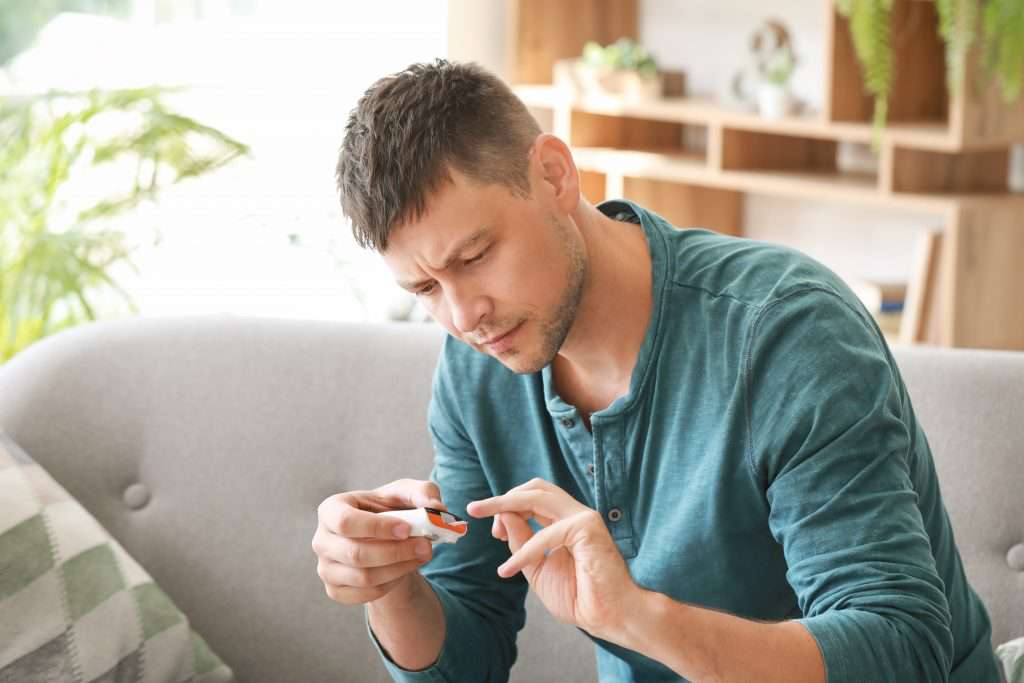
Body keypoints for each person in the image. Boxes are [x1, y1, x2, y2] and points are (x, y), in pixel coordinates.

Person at [311, 59, 1001, 682]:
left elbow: (901, 649)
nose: (463, 316)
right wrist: (392, 582)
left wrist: (640, 619)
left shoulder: (785, 331)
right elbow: (467, 660)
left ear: (553, 174)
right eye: (425, 290)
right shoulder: (477, 374)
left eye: (474, 256)